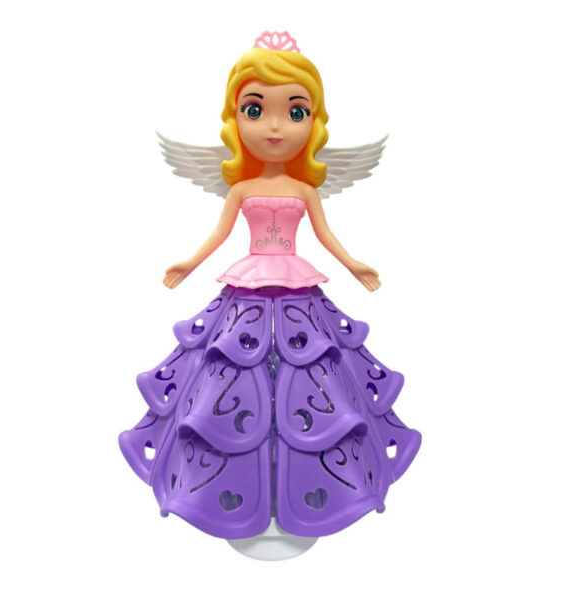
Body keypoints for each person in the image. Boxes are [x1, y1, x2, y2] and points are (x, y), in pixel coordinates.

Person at [119, 31, 421, 561]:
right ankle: (237, 491)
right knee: (232, 377)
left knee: (313, 377)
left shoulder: (305, 190)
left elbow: (326, 236)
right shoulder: (241, 189)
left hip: (301, 294)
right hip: (246, 292)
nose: (275, 126)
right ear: (235, 120)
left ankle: (308, 490)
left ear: (313, 123)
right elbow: (218, 235)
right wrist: (188, 263)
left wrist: (354, 264)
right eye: (255, 110)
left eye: (295, 111)